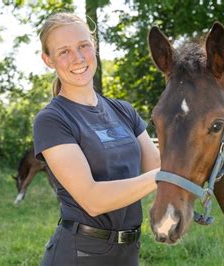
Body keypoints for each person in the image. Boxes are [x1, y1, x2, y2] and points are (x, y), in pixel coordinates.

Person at [33, 12, 160, 266]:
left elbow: (155, 165)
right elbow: (92, 200)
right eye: (64, 51)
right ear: (48, 60)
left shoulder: (124, 111)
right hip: (80, 254)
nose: (78, 58)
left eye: (83, 46)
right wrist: (168, 174)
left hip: (129, 252)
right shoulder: (52, 120)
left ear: (95, 47)